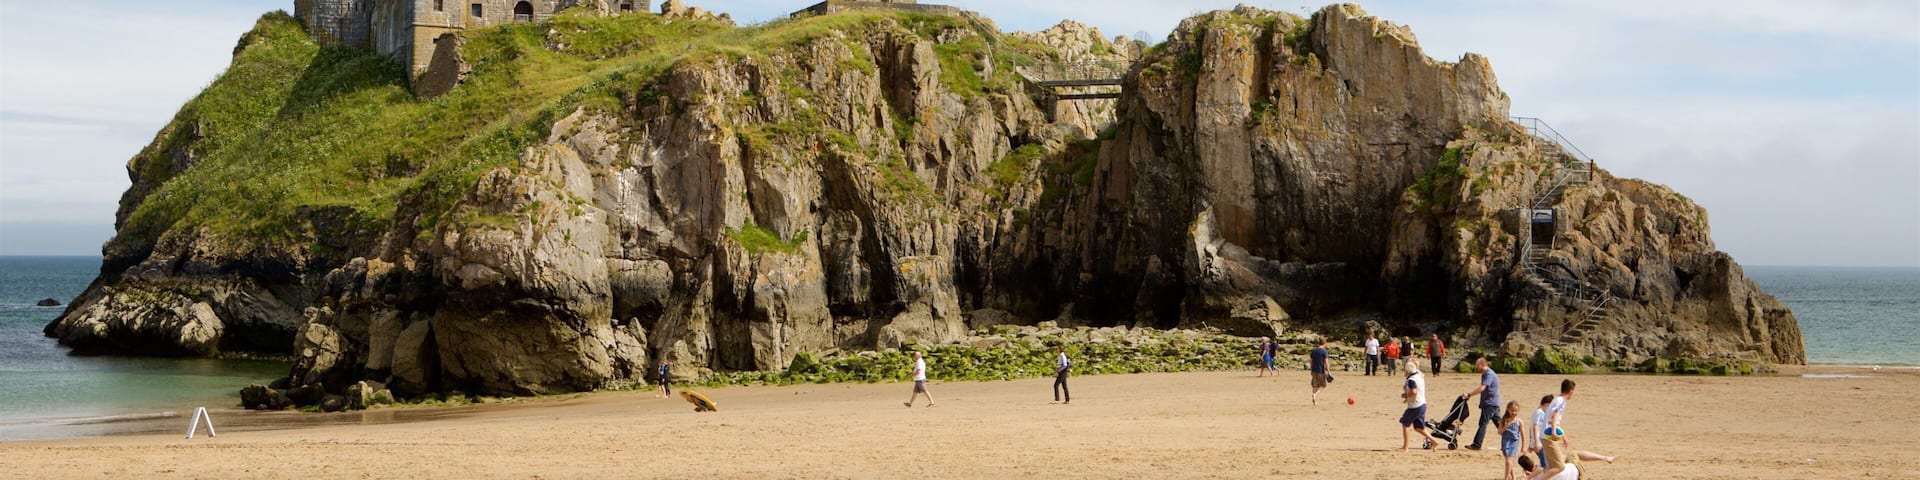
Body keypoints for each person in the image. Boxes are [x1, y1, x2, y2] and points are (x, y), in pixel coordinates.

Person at [1538, 379, 1578, 479]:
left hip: (1545, 435)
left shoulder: (1557, 400)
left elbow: (1553, 420)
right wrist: (1554, 432)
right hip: (1548, 436)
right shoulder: (1561, 401)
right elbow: (1555, 416)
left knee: (1552, 466)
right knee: (1560, 466)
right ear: (1571, 391)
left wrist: (1564, 437)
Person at [1462, 356, 1503, 451]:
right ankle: (1509, 440)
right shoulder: (1486, 374)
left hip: (1490, 403)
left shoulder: (1489, 374)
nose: (1476, 367)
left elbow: (1482, 388)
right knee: (1499, 424)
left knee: (1483, 424)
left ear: (1482, 364)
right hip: (1493, 402)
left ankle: (1477, 444)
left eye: (1477, 365)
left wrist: (1469, 394)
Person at [1399, 360, 1439, 451]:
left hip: (1415, 406)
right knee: (1419, 428)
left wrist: (1406, 395)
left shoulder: (1411, 380)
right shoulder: (1419, 374)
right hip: (1422, 404)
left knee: (1405, 424)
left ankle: (1405, 447)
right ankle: (1434, 442)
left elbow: (1413, 391)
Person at [1517, 448, 1616, 480]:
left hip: (1576, 477)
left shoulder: (1536, 477)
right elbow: (1540, 469)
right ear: (1533, 462)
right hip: (1576, 469)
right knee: (1573, 453)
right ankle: (1605, 458)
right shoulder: (1543, 466)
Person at [1500, 400, 1524, 480]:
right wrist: (1506, 426)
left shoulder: (1519, 421)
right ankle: (1513, 477)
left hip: (1514, 442)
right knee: (1508, 461)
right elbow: (1499, 432)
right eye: (1512, 410)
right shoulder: (1504, 420)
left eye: (1516, 411)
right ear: (1508, 410)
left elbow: (1523, 434)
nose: (1514, 412)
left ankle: (1506, 478)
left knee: (1508, 461)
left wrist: (1523, 446)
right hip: (1505, 442)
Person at [1530, 394, 1553, 467]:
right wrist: (1536, 443)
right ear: (1547, 404)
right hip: (1539, 443)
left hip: (1541, 442)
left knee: (1546, 463)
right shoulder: (1539, 413)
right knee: (1545, 465)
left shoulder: (1540, 413)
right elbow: (1535, 427)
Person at [1309, 338, 1330, 405]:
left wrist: (1311, 368)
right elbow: (1326, 362)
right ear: (1324, 344)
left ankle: (1314, 401)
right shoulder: (1324, 351)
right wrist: (1328, 371)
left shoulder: (1314, 351)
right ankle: (1315, 395)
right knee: (1323, 385)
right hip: (1321, 370)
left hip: (1314, 370)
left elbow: (1311, 361)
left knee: (1315, 385)